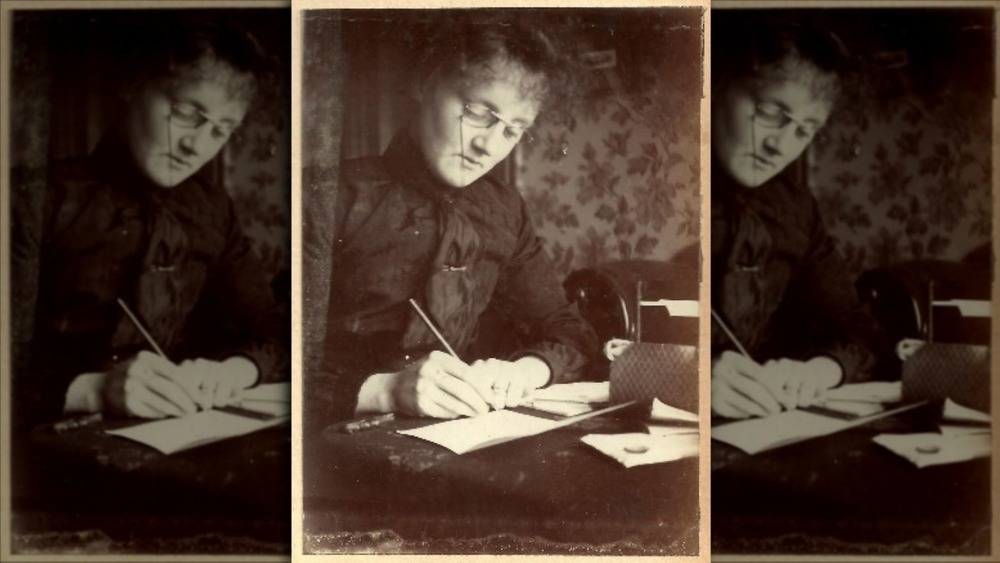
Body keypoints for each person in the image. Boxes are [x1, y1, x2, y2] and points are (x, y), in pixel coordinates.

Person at [312, 19, 599, 424]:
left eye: (513, 131)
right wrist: (384, 390)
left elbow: (570, 331)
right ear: (425, 84)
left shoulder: (505, 210)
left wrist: (525, 371)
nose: (488, 146)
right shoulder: (329, 195)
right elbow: (273, 357)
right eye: (479, 113)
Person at [14, 20, 288, 425]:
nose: (196, 146)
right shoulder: (34, 199)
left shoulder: (212, 210)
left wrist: (233, 371)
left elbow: (275, 331)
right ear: (132, 85)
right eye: (185, 113)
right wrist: (93, 389)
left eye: (221, 131)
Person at [710, 16, 883, 419]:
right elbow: (612, 347)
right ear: (718, 86)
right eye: (771, 113)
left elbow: (860, 332)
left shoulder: (795, 206)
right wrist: (693, 378)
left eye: (805, 130)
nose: (781, 146)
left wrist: (822, 370)